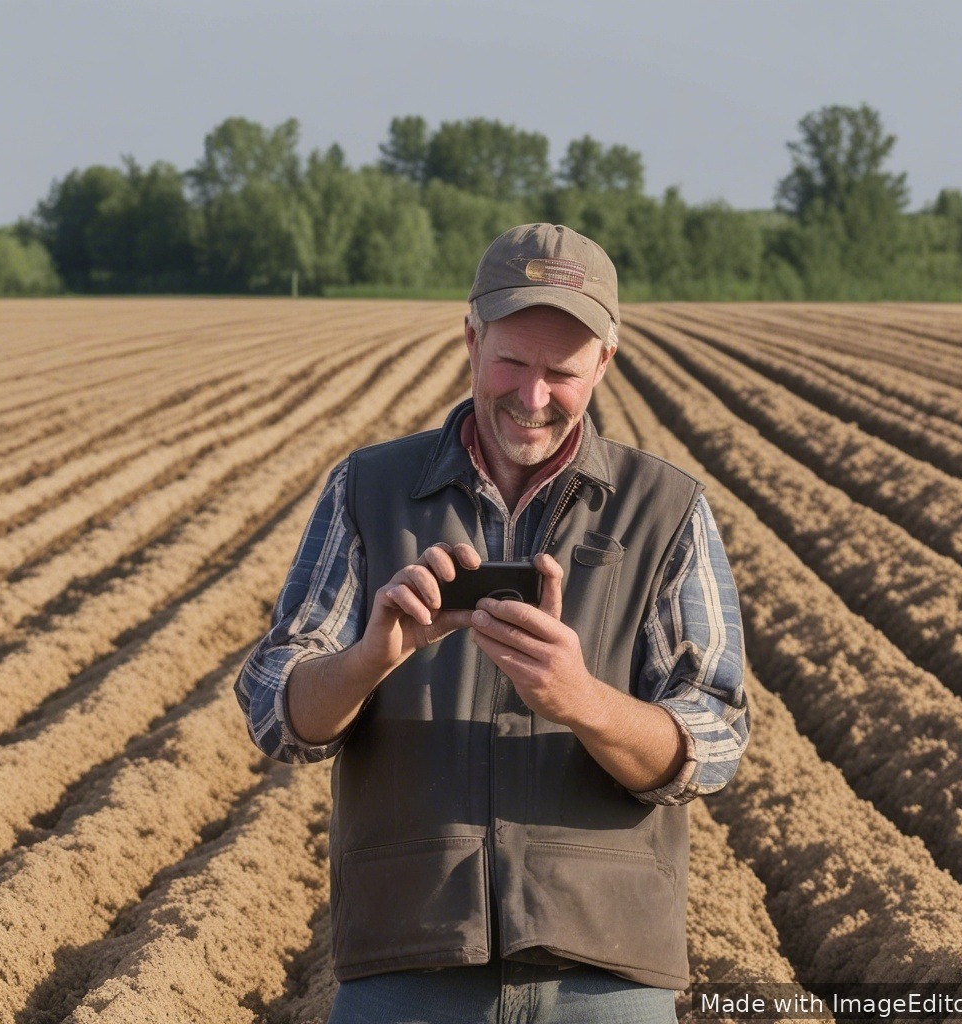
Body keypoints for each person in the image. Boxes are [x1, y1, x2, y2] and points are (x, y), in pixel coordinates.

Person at [235, 223, 749, 1024]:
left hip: (605, 973)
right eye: (512, 360)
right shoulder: (369, 490)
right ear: (471, 338)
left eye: (562, 372)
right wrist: (372, 657)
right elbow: (277, 712)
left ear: (604, 364)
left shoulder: (666, 508)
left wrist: (582, 699)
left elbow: (711, 739)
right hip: (406, 965)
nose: (533, 396)